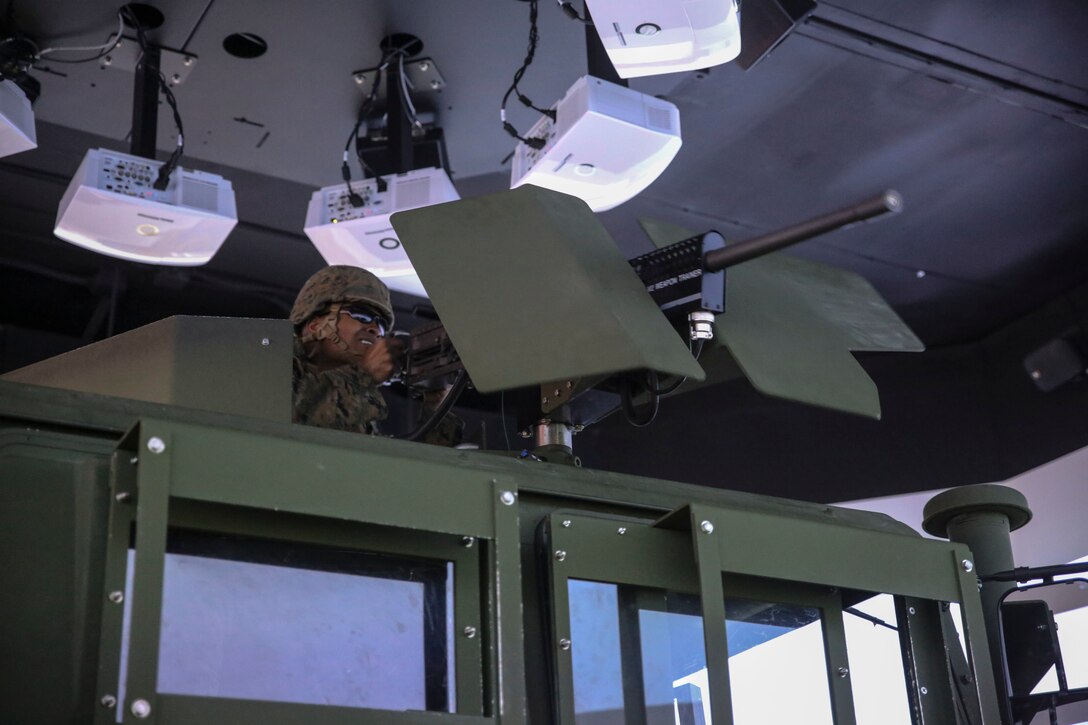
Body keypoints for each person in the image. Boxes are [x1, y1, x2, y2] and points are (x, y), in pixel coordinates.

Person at [289, 265, 461, 444]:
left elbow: (404, 467)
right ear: (315, 326)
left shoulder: (358, 406)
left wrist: (436, 403)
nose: (374, 329)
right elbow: (283, 420)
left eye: (380, 325)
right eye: (361, 316)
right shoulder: (268, 364)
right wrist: (365, 374)